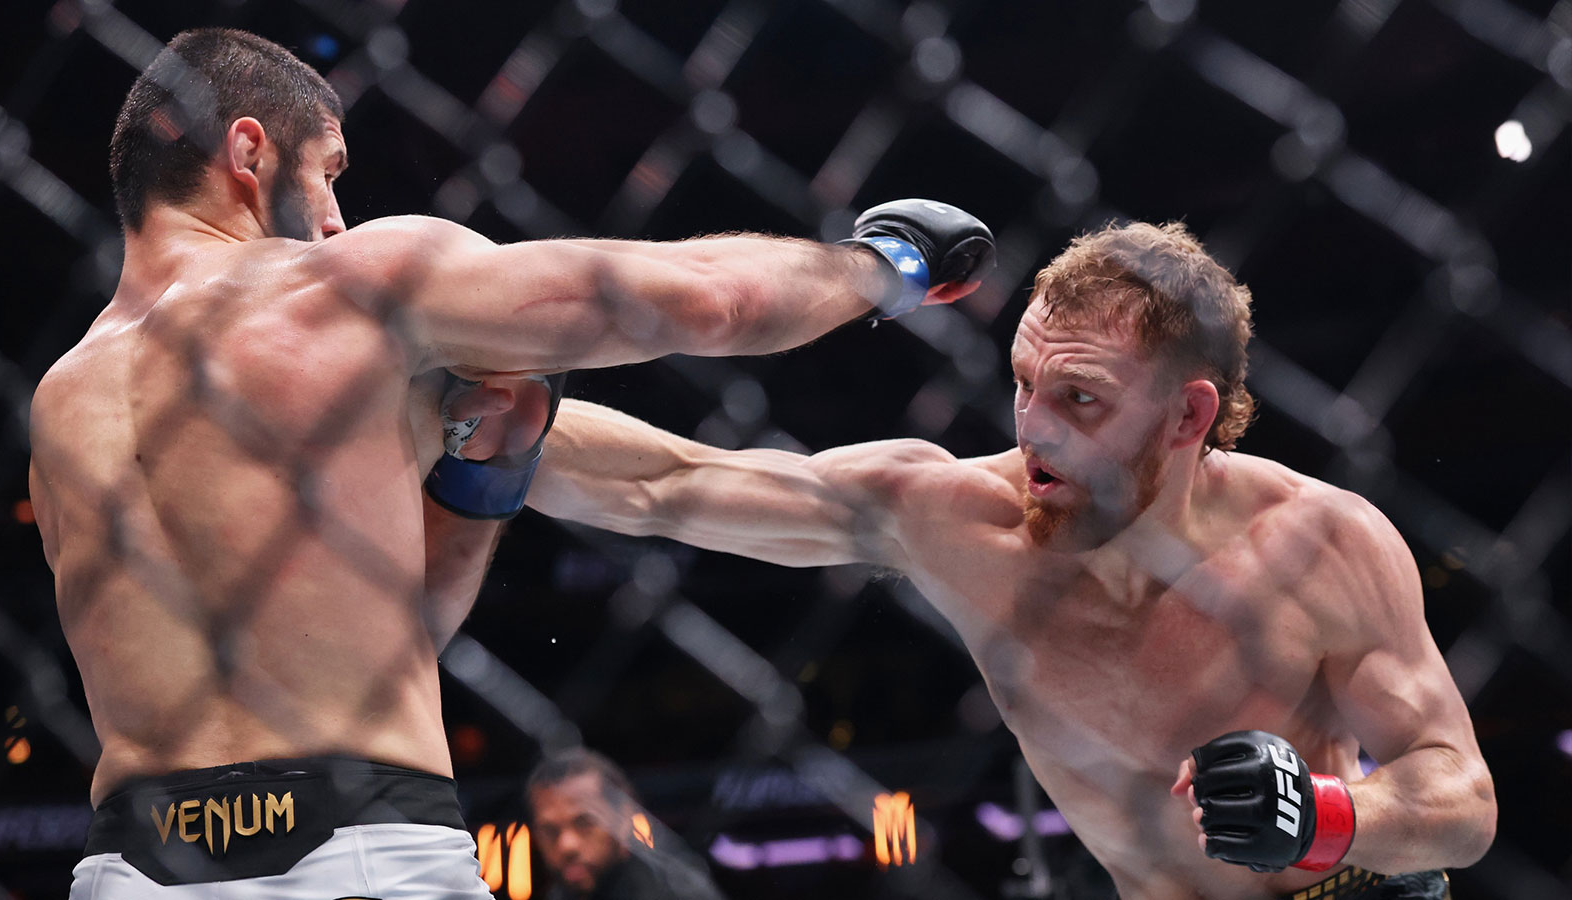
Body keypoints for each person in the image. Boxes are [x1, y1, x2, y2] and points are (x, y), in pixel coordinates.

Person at [26, 27, 992, 897]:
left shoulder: (62, 402)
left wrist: (483, 485)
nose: (333, 217)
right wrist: (886, 265)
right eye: (327, 172)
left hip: (130, 867)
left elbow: (379, 642)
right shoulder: (350, 289)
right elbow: (701, 300)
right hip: (365, 846)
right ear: (248, 152)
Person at [511, 221, 1497, 900]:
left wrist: (1323, 814)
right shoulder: (953, 518)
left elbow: (1461, 799)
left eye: (1080, 401)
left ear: (1189, 414)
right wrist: (455, 412)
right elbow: (669, 484)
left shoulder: (1319, 542)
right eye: (1024, 384)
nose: (1034, 431)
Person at [527, 749, 726, 900]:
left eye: (585, 823)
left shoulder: (676, 889)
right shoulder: (558, 894)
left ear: (623, 819)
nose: (567, 845)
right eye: (549, 831)